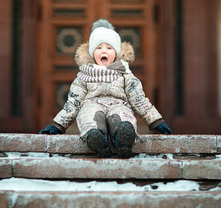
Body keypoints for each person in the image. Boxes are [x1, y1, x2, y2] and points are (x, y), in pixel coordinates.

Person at [40, 19, 172, 158]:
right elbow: (73, 103)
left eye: (109, 48)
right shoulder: (84, 76)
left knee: (122, 115)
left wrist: (156, 120)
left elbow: (138, 99)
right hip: (92, 104)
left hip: (118, 104)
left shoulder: (125, 74)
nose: (104, 51)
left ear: (116, 52)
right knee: (89, 116)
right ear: (92, 53)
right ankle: (96, 138)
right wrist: (58, 125)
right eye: (99, 48)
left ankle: (123, 138)